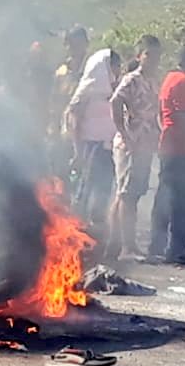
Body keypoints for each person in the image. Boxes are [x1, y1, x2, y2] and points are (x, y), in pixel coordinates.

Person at [107, 35, 162, 261]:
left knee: (134, 193)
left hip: (146, 143)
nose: (153, 59)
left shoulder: (154, 81)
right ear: (139, 56)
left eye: (156, 55)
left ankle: (116, 243)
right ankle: (126, 248)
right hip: (130, 143)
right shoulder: (132, 79)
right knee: (126, 193)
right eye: (148, 54)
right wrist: (123, 129)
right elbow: (115, 101)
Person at [149, 46, 185, 264]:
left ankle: (158, 245)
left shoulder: (169, 78)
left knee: (166, 198)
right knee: (180, 201)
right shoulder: (184, 83)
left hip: (169, 146)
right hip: (181, 149)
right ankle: (175, 249)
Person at [66, 49, 121, 237]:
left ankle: (97, 233)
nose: (117, 70)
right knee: (88, 189)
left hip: (108, 147)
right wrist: (78, 151)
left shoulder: (113, 90)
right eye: (113, 65)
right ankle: (79, 232)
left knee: (104, 190)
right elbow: (74, 120)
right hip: (92, 146)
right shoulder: (87, 91)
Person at [49, 26, 90, 183]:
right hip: (66, 131)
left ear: (86, 44)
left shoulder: (92, 70)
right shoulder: (61, 72)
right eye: (72, 44)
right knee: (62, 175)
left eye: (79, 44)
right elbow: (54, 102)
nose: (75, 48)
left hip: (88, 131)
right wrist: (53, 128)